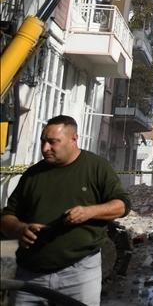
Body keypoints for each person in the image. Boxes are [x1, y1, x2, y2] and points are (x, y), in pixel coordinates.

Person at [0, 115, 131, 306]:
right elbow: (6, 216)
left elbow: (122, 204)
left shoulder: (96, 167)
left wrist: (89, 212)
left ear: (74, 139)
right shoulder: (33, 175)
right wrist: (20, 228)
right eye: (43, 142)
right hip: (30, 275)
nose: (45, 148)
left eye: (53, 142)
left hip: (79, 275)